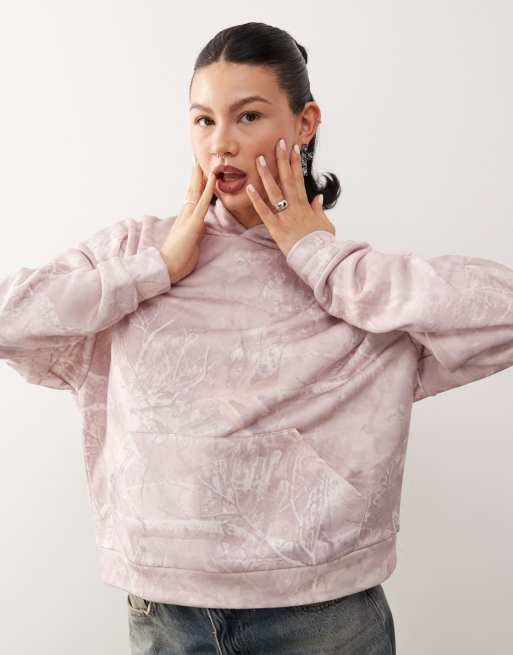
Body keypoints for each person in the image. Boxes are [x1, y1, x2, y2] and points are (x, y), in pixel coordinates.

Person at [2, 20, 512, 655]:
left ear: (304, 123)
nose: (221, 143)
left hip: (324, 617)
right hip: (166, 613)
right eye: (203, 120)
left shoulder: (355, 284)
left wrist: (322, 259)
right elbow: (11, 319)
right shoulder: (135, 251)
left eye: (248, 116)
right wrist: (155, 268)